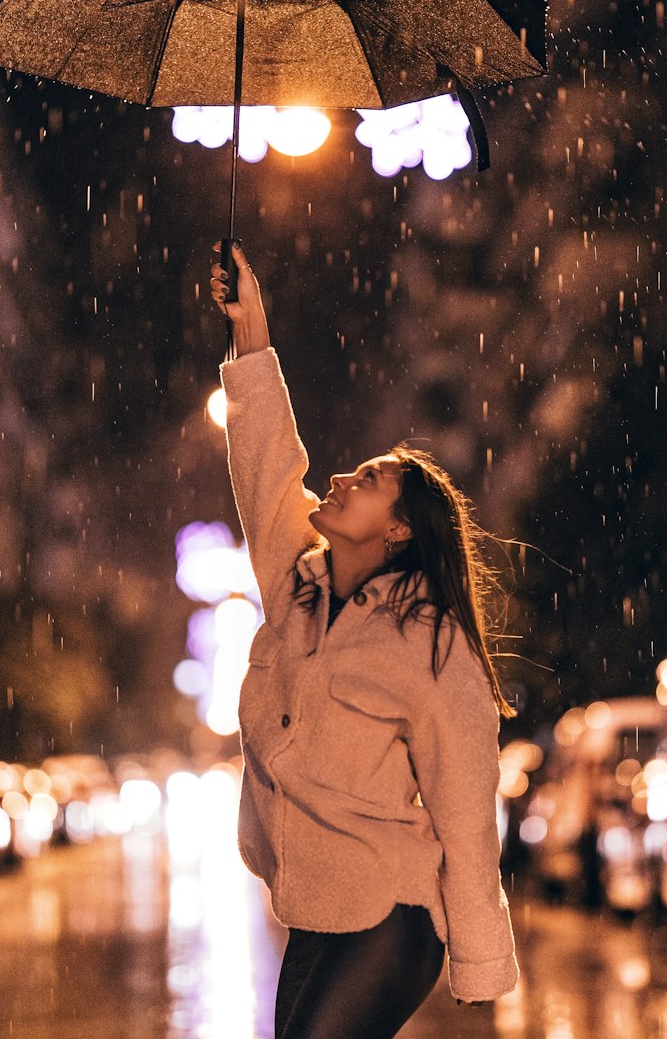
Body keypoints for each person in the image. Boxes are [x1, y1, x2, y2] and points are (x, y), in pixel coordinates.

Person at [209, 240, 519, 1039]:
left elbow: (464, 806)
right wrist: (253, 332)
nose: (341, 480)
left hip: (392, 913)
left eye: (368, 481)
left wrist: (480, 958)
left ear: (399, 529)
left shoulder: (430, 640)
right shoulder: (299, 591)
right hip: (314, 907)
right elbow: (268, 474)